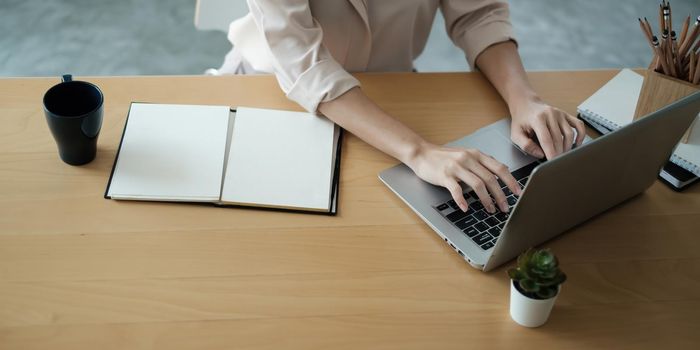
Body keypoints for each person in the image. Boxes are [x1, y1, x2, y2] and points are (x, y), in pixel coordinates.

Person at [216, 0, 586, 215]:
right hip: (273, 92)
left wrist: (524, 99)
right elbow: (305, 64)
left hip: (394, 92)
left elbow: (477, 13)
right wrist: (420, 151)